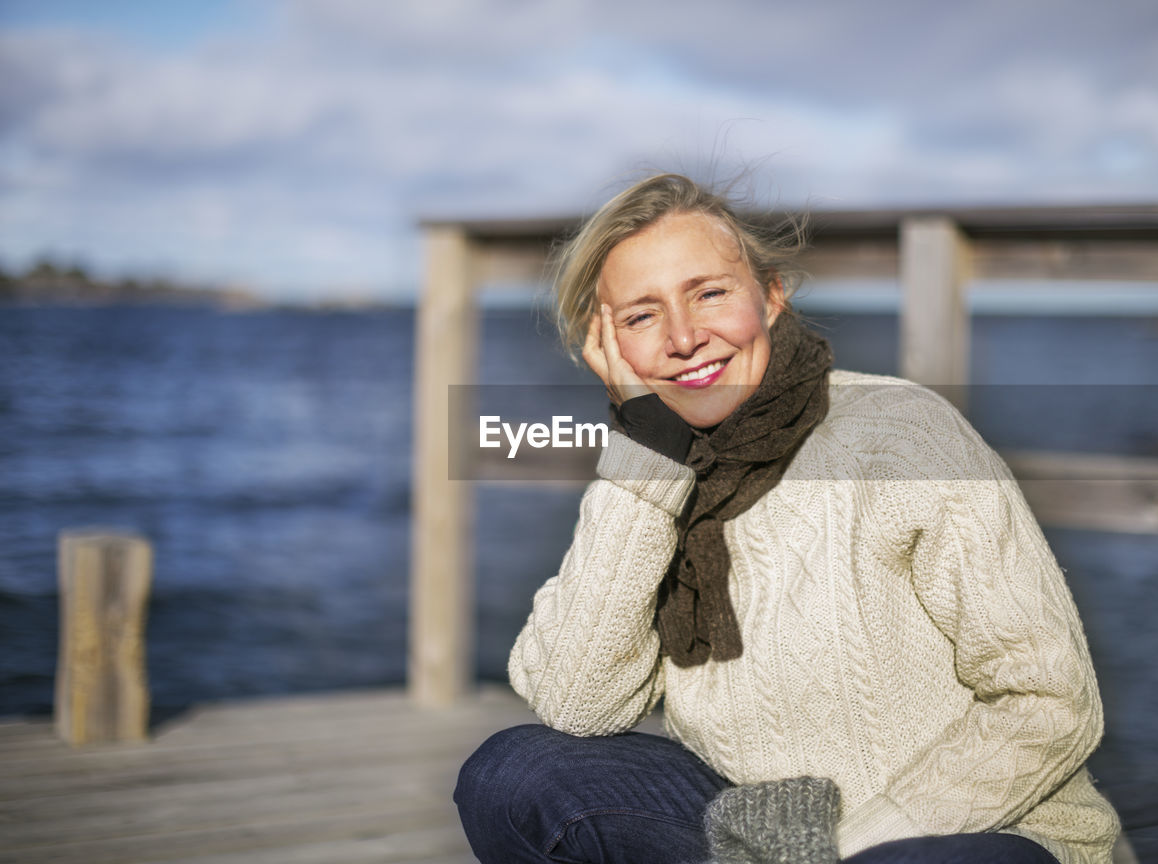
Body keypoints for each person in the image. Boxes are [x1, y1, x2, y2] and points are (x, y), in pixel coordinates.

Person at [454, 173, 1120, 864]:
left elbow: (1048, 703)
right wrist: (645, 454)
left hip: (967, 833)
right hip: (759, 833)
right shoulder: (655, 473)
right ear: (606, 343)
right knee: (512, 774)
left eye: (709, 293)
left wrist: (840, 848)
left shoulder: (903, 435)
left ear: (770, 295)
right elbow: (577, 704)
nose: (683, 338)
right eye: (641, 316)